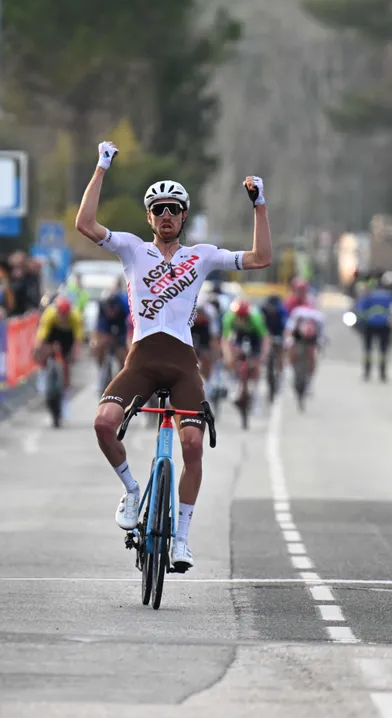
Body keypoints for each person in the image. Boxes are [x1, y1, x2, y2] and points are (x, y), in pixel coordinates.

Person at [77, 140, 271, 573]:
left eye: (173, 209)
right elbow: (85, 223)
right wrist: (101, 168)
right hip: (142, 359)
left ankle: (181, 538)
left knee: (192, 445)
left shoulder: (200, 256)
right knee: (103, 423)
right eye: (158, 209)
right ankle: (131, 491)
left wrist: (259, 206)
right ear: (149, 217)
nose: (166, 215)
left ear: (184, 216)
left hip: (183, 362)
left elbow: (261, 258)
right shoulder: (131, 248)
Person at [35, 295, 84, 419]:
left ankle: (65, 401)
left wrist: (74, 355)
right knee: (43, 351)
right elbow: (41, 338)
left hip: (67, 336)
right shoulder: (50, 315)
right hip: (53, 332)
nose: (62, 317)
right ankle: (43, 377)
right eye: (60, 314)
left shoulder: (75, 317)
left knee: (67, 364)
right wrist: (38, 351)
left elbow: (77, 341)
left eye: (65, 314)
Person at [222, 298, 269, 412]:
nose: (241, 319)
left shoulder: (255, 318)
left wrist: (263, 355)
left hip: (254, 336)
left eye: (243, 317)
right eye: (239, 317)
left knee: (256, 365)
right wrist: (228, 355)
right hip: (239, 335)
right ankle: (235, 389)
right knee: (232, 357)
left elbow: (265, 338)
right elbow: (225, 339)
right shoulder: (229, 317)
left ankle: (256, 400)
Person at [355, 275, 392, 382]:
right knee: (383, 350)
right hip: (384, 325)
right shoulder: (389, 295)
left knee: (368, 350)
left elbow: (360, 308)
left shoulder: (368, 295)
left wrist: (361, 321)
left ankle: (367, 371)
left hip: (370, 324)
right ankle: (383, 373)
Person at [93, 291, 130, 392]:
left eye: (113, 310)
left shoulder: (125, 307)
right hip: (107, 323)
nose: (111, 313)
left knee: (123, 352)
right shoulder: (102, 308)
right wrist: (97, 343)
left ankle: (122, 376)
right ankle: (101, 371)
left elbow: (130, 329)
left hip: (122, 323)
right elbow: (98, 330)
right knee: (101, 343)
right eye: (109, 310)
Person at [284, 294, 326, 383]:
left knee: (312, 355)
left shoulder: (318, 315)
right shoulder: (298, 311)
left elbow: (321, 330)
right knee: (293, 350)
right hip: (298, 335)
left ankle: (309, 380)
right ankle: (290, 370)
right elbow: (291, 325)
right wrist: (289, 338)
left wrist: (320, 341)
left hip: (312, 337)